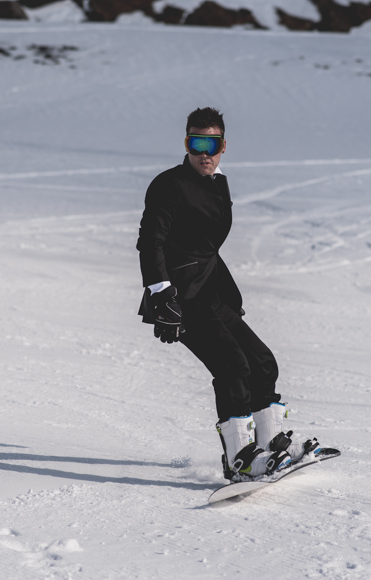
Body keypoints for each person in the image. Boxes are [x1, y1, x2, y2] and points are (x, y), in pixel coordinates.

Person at [136, 107, 320, 481]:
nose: (204, 153)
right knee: (232, 366)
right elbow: (150, 242)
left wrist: (226, 294)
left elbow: (205, 247)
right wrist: (161, 296)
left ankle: (271, 449)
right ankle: (241, 460)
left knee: (262, 362)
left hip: (211, 291)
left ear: (224, 146)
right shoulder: (169, 185)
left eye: (212, 144)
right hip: (181, 299)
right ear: (185, 144)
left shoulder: (218, 182)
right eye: (195, 143)